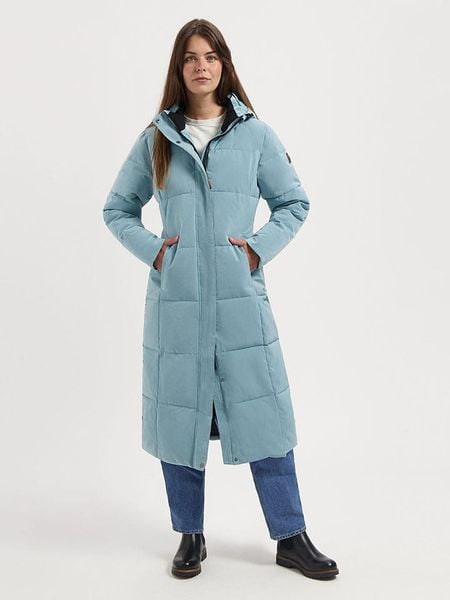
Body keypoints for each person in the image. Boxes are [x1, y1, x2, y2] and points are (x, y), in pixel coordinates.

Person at [103, 18, 339, 580]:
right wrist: (157, 252)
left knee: (265, 417)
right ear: (179, 68)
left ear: (224, 64)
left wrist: (255, 250)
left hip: (240, 304)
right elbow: (117, 209)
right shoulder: (158, 138)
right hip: (178, 307)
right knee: (180, 423)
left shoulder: (255, 135)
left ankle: (291, 536)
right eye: (190, 57)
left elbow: (294, 203)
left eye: (210, 56)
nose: (201, 66)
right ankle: (190, 535)